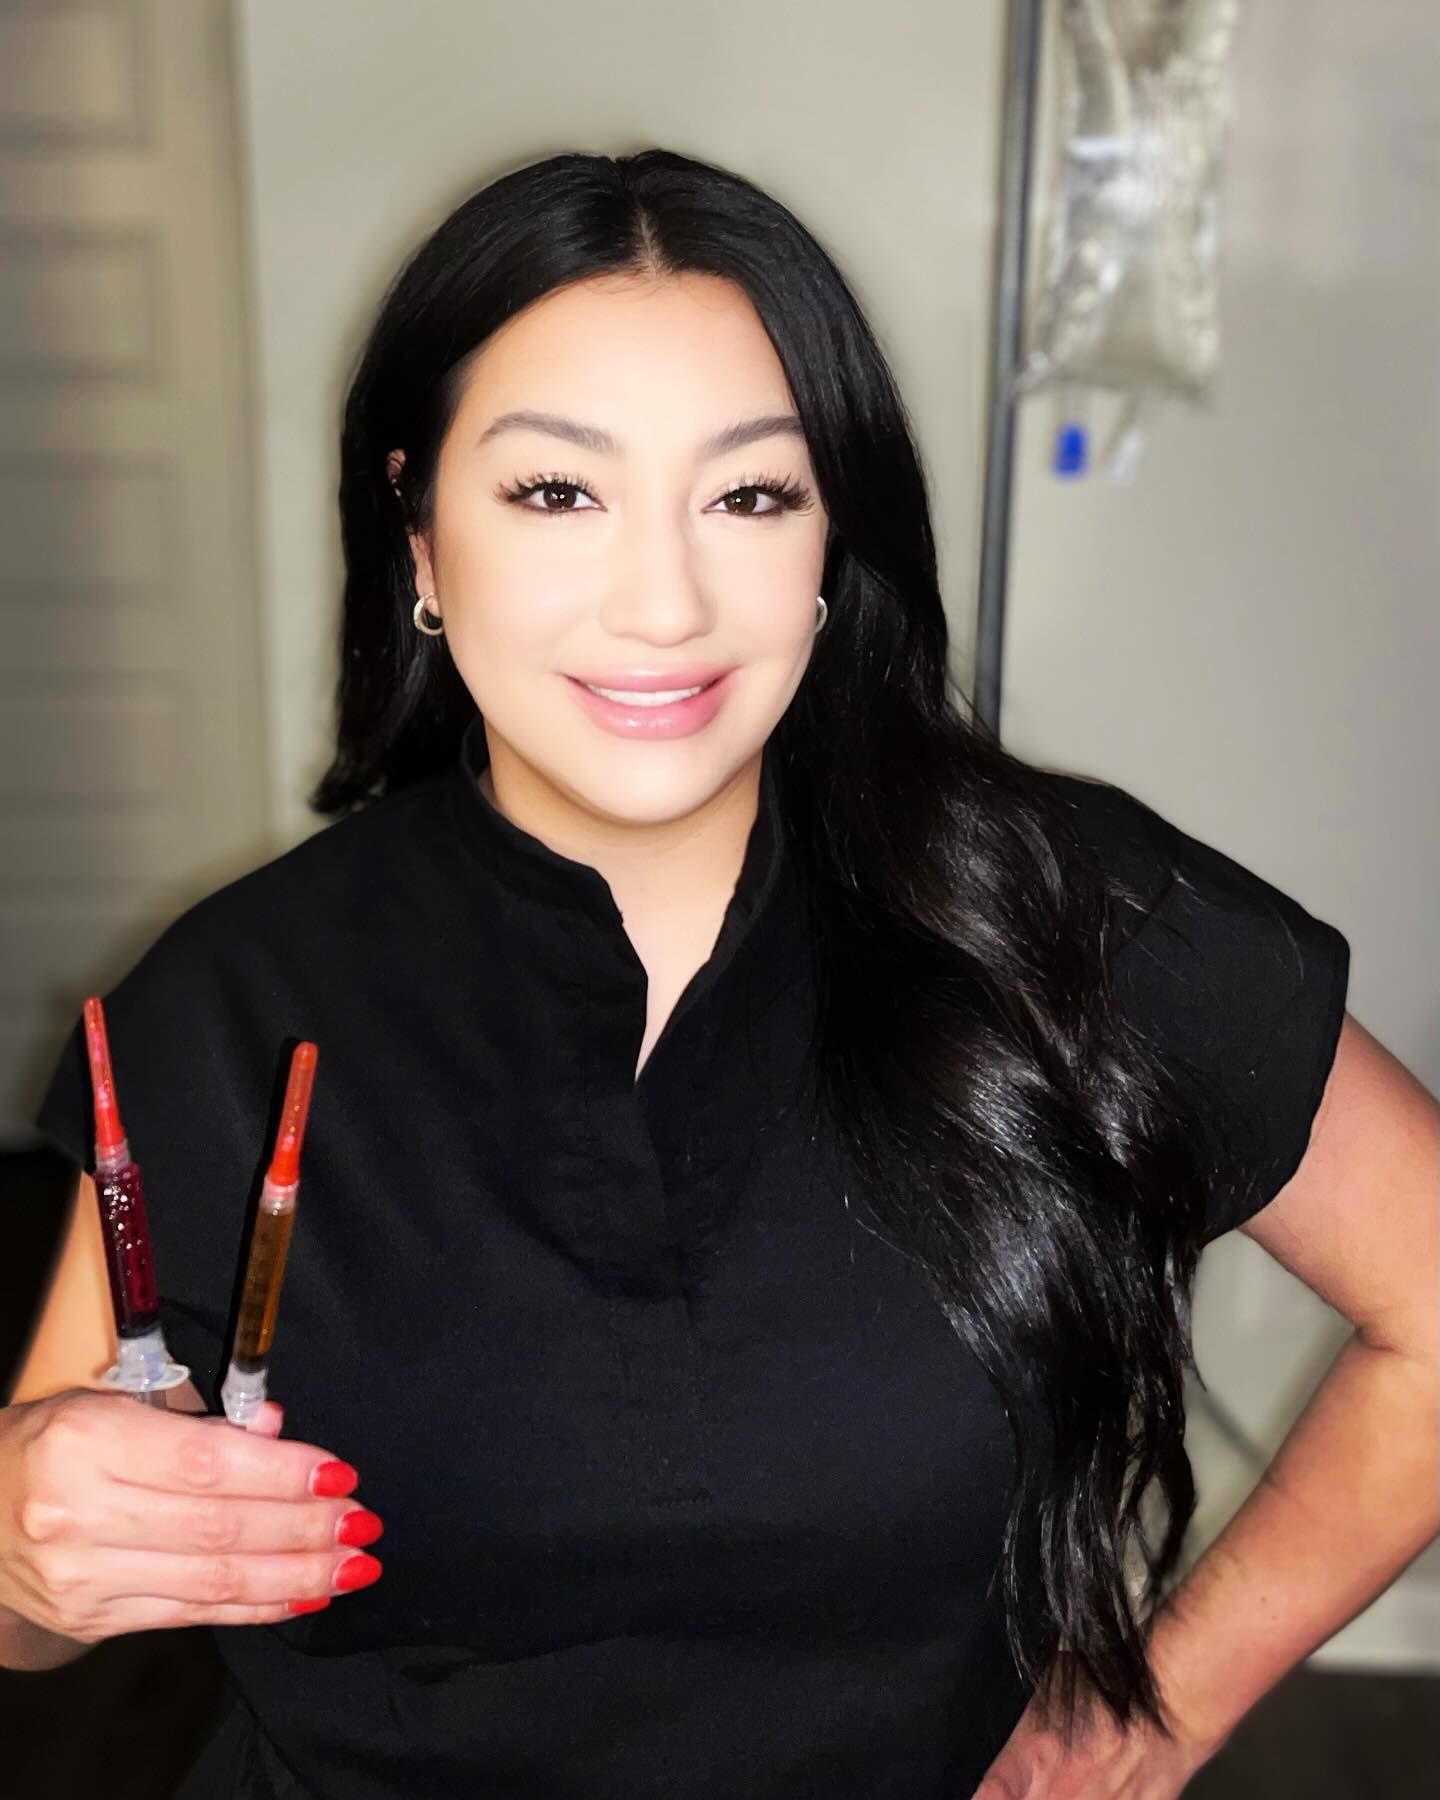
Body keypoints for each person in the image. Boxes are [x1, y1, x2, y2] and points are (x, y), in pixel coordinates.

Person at [2, 147, 1435, 1800]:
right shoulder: (234, 1002)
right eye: (556, 493)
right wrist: (27, 1546)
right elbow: (39, 1597)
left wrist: (1157, 1712)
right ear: (418, 530)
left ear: (834, 540)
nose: (665, 601)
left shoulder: (1062, 914)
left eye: (751, 494)